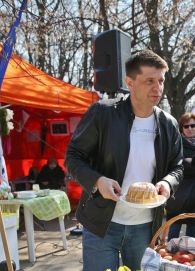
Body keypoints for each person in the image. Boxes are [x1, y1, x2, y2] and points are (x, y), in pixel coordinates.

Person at [65, 50, 183, 271]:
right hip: (101, 223)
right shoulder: (102, 113)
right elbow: (73, 157)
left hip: (146, 227)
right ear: (129, 82)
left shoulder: (169, 124)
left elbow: (177, 167)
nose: (157, 87)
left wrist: (167, 183)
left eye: (160, 81)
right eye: (149, 81)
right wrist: (98, 181)